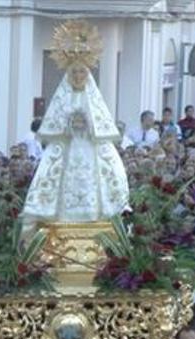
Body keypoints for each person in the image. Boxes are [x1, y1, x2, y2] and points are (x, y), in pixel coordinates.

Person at [22, 45, 130, 225]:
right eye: (75, 72)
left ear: (88, 74)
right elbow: (55, 124)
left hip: (91, 147)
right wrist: (69, 124)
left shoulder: (93, 98)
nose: (78, 76)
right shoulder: (63, 98)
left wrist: (88, 124)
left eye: (82, 72)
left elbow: (101, 125)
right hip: (66, 148)